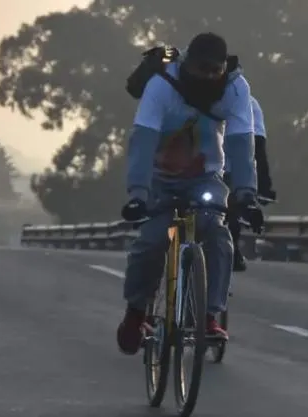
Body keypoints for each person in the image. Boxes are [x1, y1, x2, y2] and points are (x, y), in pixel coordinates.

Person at [117, 32, 260, 355]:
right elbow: (143, 139)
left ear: (224, 68)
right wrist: (138, 193)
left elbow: (241, 144)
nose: (209, 76)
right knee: (152, 241)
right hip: (159, 180)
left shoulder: (236, 88)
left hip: (205, 180)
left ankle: (209, 316)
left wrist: (246, 194)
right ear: (186, 64)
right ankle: (136, 311)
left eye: (215, 71)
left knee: (219, 238)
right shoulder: (162, 84)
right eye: (201, 69)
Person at [224, 95, 274, 271]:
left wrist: (264, 185)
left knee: (234, 206)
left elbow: (258, 147)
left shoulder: (250, 104)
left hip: (233, 171)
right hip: (201, 167)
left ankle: (232, 247)